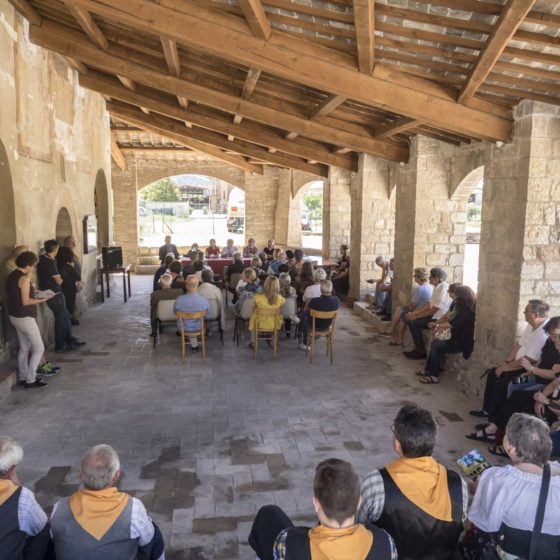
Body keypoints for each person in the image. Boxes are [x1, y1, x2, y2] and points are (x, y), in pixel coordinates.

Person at [357, 404, 466, 560]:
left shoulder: (377, 483)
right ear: (433, 441)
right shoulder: (457, 485)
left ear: (397, 444)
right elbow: (457, 527)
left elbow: (359, 526)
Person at [249, 458, 397, 560]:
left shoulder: (288, 542)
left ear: (316, 504)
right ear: (358, 502)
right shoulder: (385, 542)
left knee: (269, 514)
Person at [463, 414, 560, 560]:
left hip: (510, 553)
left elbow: (486, 524)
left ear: (512, 449)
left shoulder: (499, 479)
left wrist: (479, 490)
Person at [50, 445, 164, 560]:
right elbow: (147, 540)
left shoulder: (59, 509)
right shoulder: (133, 509)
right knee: (155, 535)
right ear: (116, 476)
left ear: (80, 476)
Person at [467, 316, 560, 450]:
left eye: (555, 336)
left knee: (516, 394)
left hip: (544, 384)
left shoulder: (550, 343)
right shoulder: (550, 342)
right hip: (537, 379)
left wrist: (533, 371)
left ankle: (498, 429)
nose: (554, 341)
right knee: (508, 382)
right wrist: (528, 372)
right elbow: (545, 366)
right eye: (552, 336)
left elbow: (552, 377)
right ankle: (496, 422)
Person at [469, 299, 550, 423]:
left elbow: (530, 359)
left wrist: (506, 368)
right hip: (517, 364)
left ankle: (495, 421)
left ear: (536, 315)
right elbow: (518, 344)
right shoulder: (531, 325)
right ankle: (487, 410)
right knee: (493, 373)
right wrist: (506, 362)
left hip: (527, 369)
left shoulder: (543, 333)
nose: (523, 312)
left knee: (503, 384)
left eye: (526, 311)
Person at [3, 246, 59, 378]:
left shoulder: (12, 275)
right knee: (39, 348)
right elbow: (26, 301)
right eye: (33, 265)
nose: (33, 268)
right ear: (27, 265)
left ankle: (23, 377)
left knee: (24, 347)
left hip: (15, 316)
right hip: (25, 316)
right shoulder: (25, 278)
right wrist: (44, 299)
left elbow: (19, 292)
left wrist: (37, 292)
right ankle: (31, 379)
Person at [0, 436, 52, 559]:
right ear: (11, 469)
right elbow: (40, 524)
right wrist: (17, 487)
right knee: (45, 531)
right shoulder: (21, 497)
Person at [418, 285, 476, 385]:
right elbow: (450, 321)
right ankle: (429, 370)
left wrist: (437, 326)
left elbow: (452, 324)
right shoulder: (462, 308)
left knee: (437, 345)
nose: (454, 297)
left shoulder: (466, 312)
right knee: (435, 342)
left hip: (462, 342)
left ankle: (433, 376)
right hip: (456, 337)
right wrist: (437, 326)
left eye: (456, 295)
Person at [37, 240, 85, 353]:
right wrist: (61, 278)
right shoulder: (50, 262)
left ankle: (69, 341)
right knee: (62, 320)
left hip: (52, 293)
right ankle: (60, 345)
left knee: (66, 318)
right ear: (54, 249)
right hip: (55, 294)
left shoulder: (42, 259)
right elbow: (58, 281)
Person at [403, 267, 452, 360]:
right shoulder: (437, 287)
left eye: (431, 277)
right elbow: (429, 304)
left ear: (437, 279)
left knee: (414, 323)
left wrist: (416, 316)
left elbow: (434, 309)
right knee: (410, 320)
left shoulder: (442, 288)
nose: (429, 279)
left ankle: (420, 351)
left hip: (438, 318)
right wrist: (414, 314)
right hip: (434, 315)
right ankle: (418, 349)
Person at [384, 267, 432, 346]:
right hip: (425, 310)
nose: (414, 277)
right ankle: (398, 338)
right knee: (403, 315)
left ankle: (391, 329)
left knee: (400, 309)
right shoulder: (430, 287)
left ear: (419, 277)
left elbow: (412, 305)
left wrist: (408, 307)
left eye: (415, 276)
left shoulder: (420, 289)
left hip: (419, 311)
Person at [299, 279, 340, 350]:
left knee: (303, 315)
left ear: (320, 290)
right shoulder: (336, 300)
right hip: (327, 325)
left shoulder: (314, 301)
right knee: (305, 315)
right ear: (331, 289)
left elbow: (306, 309)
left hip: (314, 325)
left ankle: (306, 343)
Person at [174, 275, 209, 352]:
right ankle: (194, 345)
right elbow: (208, 315)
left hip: (183, 328)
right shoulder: (203, 300)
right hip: (199, 327)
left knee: (181, 320)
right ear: (198, 285)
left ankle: (191, 343)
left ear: (186, 286)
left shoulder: (179, 299)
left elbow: (175, 313)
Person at [248, 276, 285, 348]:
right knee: (277, 317)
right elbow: (280, 310)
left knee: (253, 317)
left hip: (259, 323)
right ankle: (274, 342)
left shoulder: (258, 297)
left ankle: (253, 343)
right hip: (274, 324)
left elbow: (254, 310)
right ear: (277, 286)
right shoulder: (280, 298)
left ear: (265, 284)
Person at [149, 273, 184, 338]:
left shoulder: (155, 294)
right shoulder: (179, 292)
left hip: (161, 316)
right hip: (177, 315)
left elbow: (153, 307)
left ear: (160, 284)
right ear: (171, 283)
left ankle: (154, 332)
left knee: (153, 310)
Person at [56, 246, 81, 325]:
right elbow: (78, 277)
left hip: (60, 291)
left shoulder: (55, 266)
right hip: (70, 291)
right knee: (69, 309)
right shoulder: (69, 267)